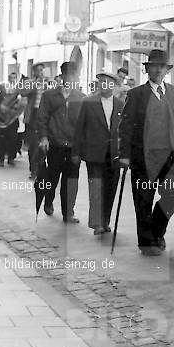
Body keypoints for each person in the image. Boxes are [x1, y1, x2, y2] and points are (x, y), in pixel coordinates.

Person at [117, 49, 174, 256]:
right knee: (143, 199)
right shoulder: (136, 95)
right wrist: (124, 154)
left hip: (169, 156)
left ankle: (157, 231)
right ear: (148, 69)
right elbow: (125, 127)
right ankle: (146, 243)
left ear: (166, 70)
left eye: (162, 67)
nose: (158, 70)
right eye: (154, 66)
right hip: (143, 156)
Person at [72, 73, 123, 235]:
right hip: (94, 153)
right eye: (101, 82)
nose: (103, 85)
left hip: (114, 154)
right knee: (96, 188)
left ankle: (105, 220)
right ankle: (96, 223)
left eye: (107, 82)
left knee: (110, 189)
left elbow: (126, 130)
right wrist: (76, 152)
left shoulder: (121, 104)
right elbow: (79, 128)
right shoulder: (88, 102)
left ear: (114, 85)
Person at [37, 61, 86, 223]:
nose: (72, 77)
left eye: (75, 74)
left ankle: (68, 212)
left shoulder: (81, 97)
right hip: (55, 144)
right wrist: (44, 138)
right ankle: (48, 201)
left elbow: (84, 124)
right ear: (63, 75)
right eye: (69, 74)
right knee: (52, 177)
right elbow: (42, 119)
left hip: (73, 147)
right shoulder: (49, 95)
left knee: (71, 180)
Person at [20, 62, 49, 179]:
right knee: (33, 145)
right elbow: (22, 92)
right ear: (34, 72)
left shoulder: (49, 84)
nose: (41, 72)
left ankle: (41, 167)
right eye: (38, 70)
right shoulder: (30, 83)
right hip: (33, 116)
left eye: (42, 70)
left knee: (43, 145)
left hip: (45, 117)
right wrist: (35, 84)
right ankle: (34, 170)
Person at [0, 73, 25, 167]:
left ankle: (11, 158)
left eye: (7, 87)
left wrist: (14, 109)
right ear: (0, 89)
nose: (7, 89)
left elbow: (19, 107)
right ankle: (1, 160)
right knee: (0, 141)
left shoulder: (15, 98)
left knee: (13, 140)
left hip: (11, 122)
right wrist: (0, 107)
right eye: (4, 87)